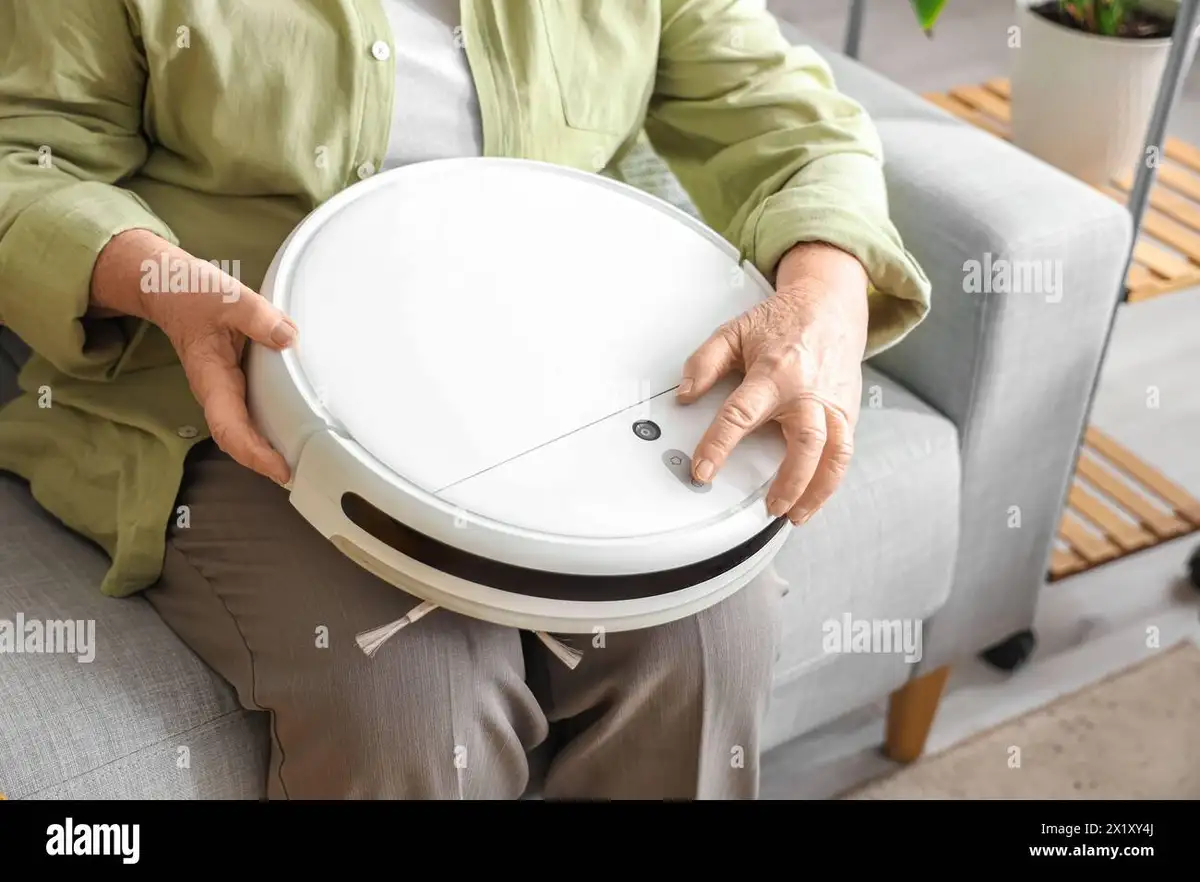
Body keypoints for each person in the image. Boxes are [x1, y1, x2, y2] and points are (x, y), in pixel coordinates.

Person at [0, 0, 930, 799]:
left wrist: (823, 295)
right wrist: (159, 279)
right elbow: (23, 158)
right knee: (414, 693)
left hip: (550, 380)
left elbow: (792, 126)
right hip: (230, 393)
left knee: (706, 639)